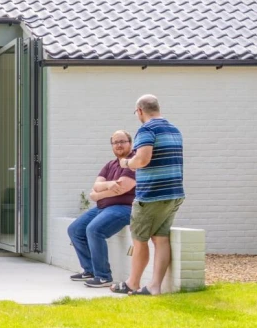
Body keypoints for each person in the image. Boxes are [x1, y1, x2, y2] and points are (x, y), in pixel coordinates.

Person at [112, 94, 185, 296]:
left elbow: (143, 160)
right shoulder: (174, 129)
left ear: (140, 111)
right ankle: (154, 286)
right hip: (174, 193)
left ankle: (132, 283)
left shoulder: (147, 129)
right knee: (160, 238)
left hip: (151, 195)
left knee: (139, 239)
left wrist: (127, 162)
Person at [68, 130, 136, 288]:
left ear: (130, 143)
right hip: (103, 208)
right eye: (115, 142)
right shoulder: (110, 164)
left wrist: (98, 195)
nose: (118, 145)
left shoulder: (132, 162)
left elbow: (123, 188)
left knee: (94, 230)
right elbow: (96, 185)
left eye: (122, 141)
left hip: (124, 208)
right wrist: (109, 185)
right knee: (75, 230)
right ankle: (90, 270)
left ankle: (104, 276)